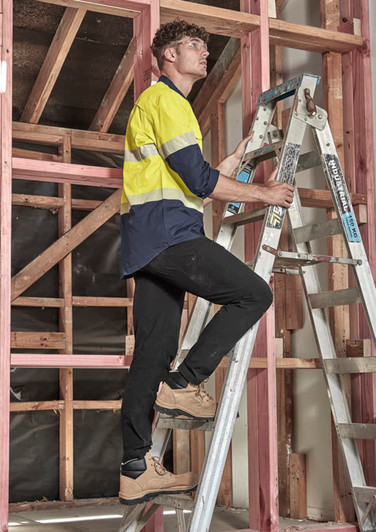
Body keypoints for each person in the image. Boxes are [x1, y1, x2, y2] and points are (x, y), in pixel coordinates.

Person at [119, 20, 294, 505]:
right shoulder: (168, 102)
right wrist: (263, 193)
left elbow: (190, 178)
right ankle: (185, 382)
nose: (203, 51)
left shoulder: (162, 107)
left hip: (147, 240)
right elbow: (198, 183)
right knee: (254, 293)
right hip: (168, 236)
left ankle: (135, 467)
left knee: (151, 353)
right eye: (192, 45)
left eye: (204, 44)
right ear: (168, 56)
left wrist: (233, 161)